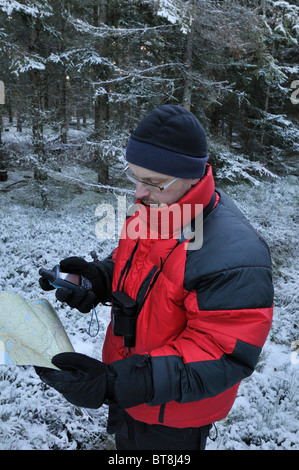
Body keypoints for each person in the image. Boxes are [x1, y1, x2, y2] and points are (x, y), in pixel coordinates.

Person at [36, 105, 274, 450]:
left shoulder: (233, 254)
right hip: (130, 392)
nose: (138, 192)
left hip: (174, 416)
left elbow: (224, 352)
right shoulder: (157, 208)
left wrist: (123, 383)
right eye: (135, 177)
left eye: (152, 182)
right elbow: (136, 264)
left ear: (192, 175)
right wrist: (97, 279)